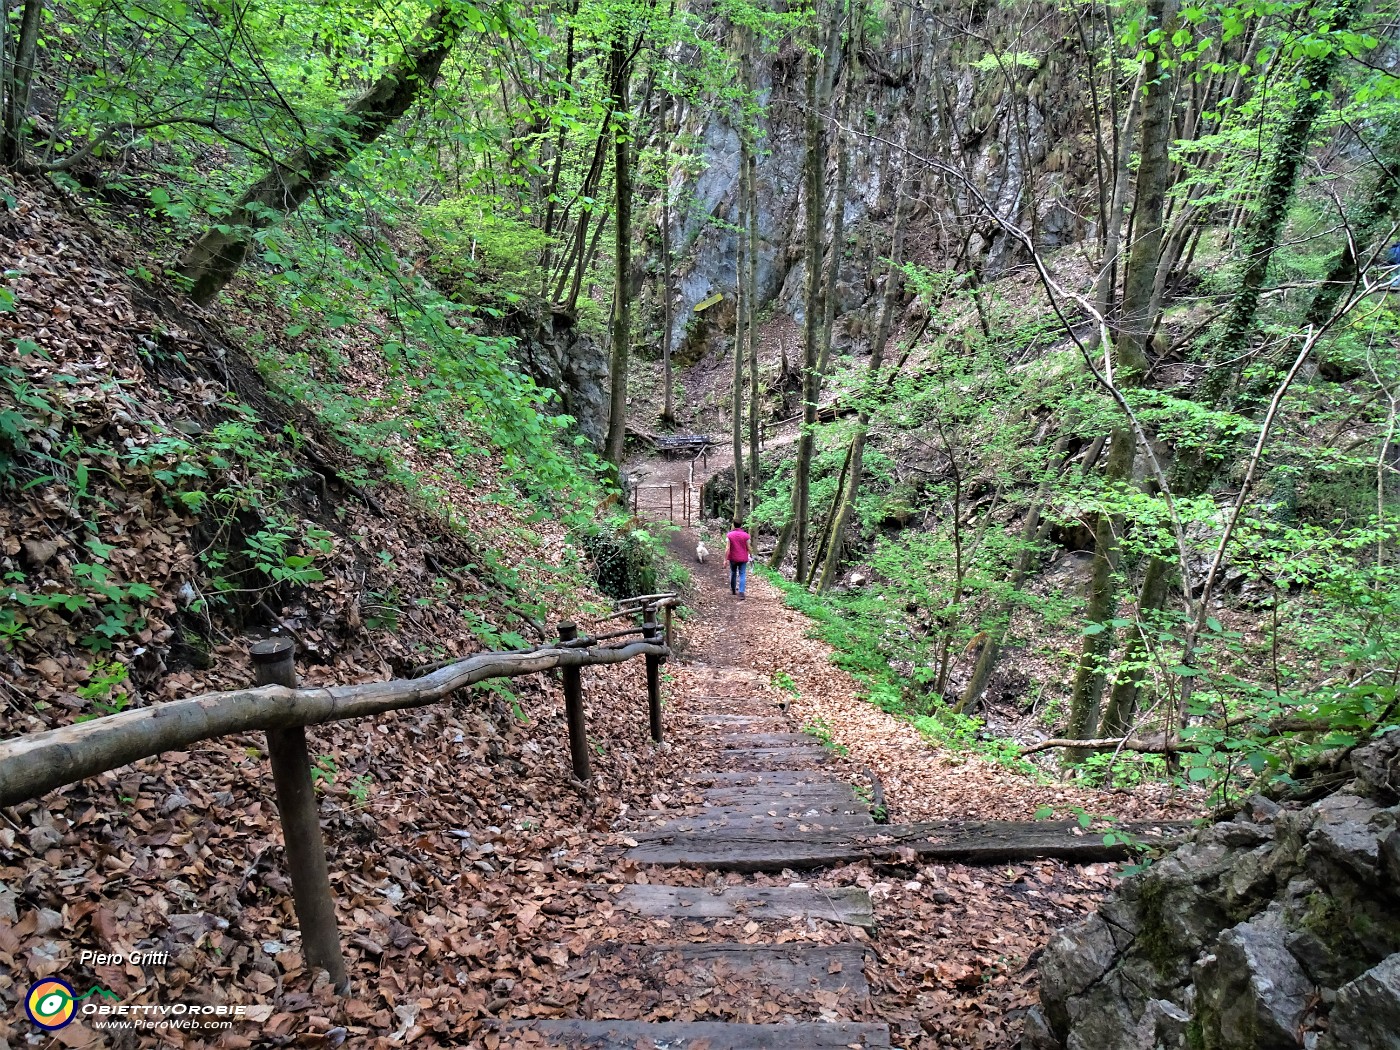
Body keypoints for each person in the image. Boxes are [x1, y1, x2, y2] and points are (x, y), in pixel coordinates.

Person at [725, 518, 751, 599]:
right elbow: (749, 547)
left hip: (733, 557)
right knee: (742, 574)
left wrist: (725, 560)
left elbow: (727, 548)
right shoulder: (746, 536)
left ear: (733, 525)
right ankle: (741, 592)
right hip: (743, 558)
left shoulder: (729, 535)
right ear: (741, 525)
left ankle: (733, 589)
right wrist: (751, 555)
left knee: (733, 572)